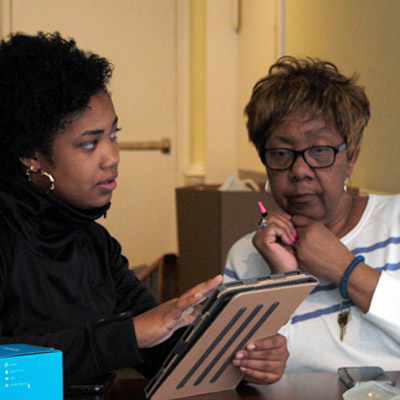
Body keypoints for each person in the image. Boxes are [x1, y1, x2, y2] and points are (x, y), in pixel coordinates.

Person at [0, 31, 288, 388]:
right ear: (32, 155)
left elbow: (159, 347)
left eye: (113, 135)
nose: (113, 157)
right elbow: (9, 373)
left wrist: (241, 357)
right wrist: (128, 335)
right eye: (90, 143)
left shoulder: (95, 243)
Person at [224, 56, 400, 373]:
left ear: (351, 158)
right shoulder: (246, 256)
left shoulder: (396, 221)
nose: (300, 170)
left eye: (319, 150)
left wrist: (345, 268)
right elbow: (234, 372)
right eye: (281, 153)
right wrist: (282, 278)